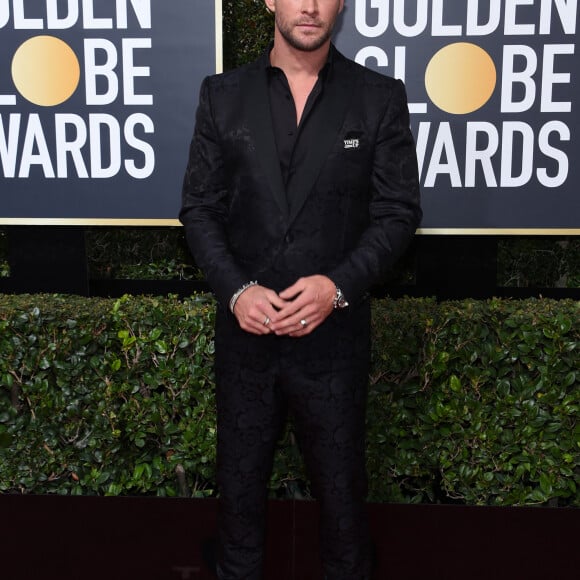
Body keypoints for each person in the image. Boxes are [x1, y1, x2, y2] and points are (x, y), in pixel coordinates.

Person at [180, 1, 422, 578]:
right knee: (237, 514)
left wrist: (336, 287)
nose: (309, 6)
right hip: (247, 345)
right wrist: (238, 292)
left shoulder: (377, 97)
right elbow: (199, 209)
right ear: (268, 0)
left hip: (333, 344)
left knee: (343, 516)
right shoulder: (222, 95)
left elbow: (397, 213)